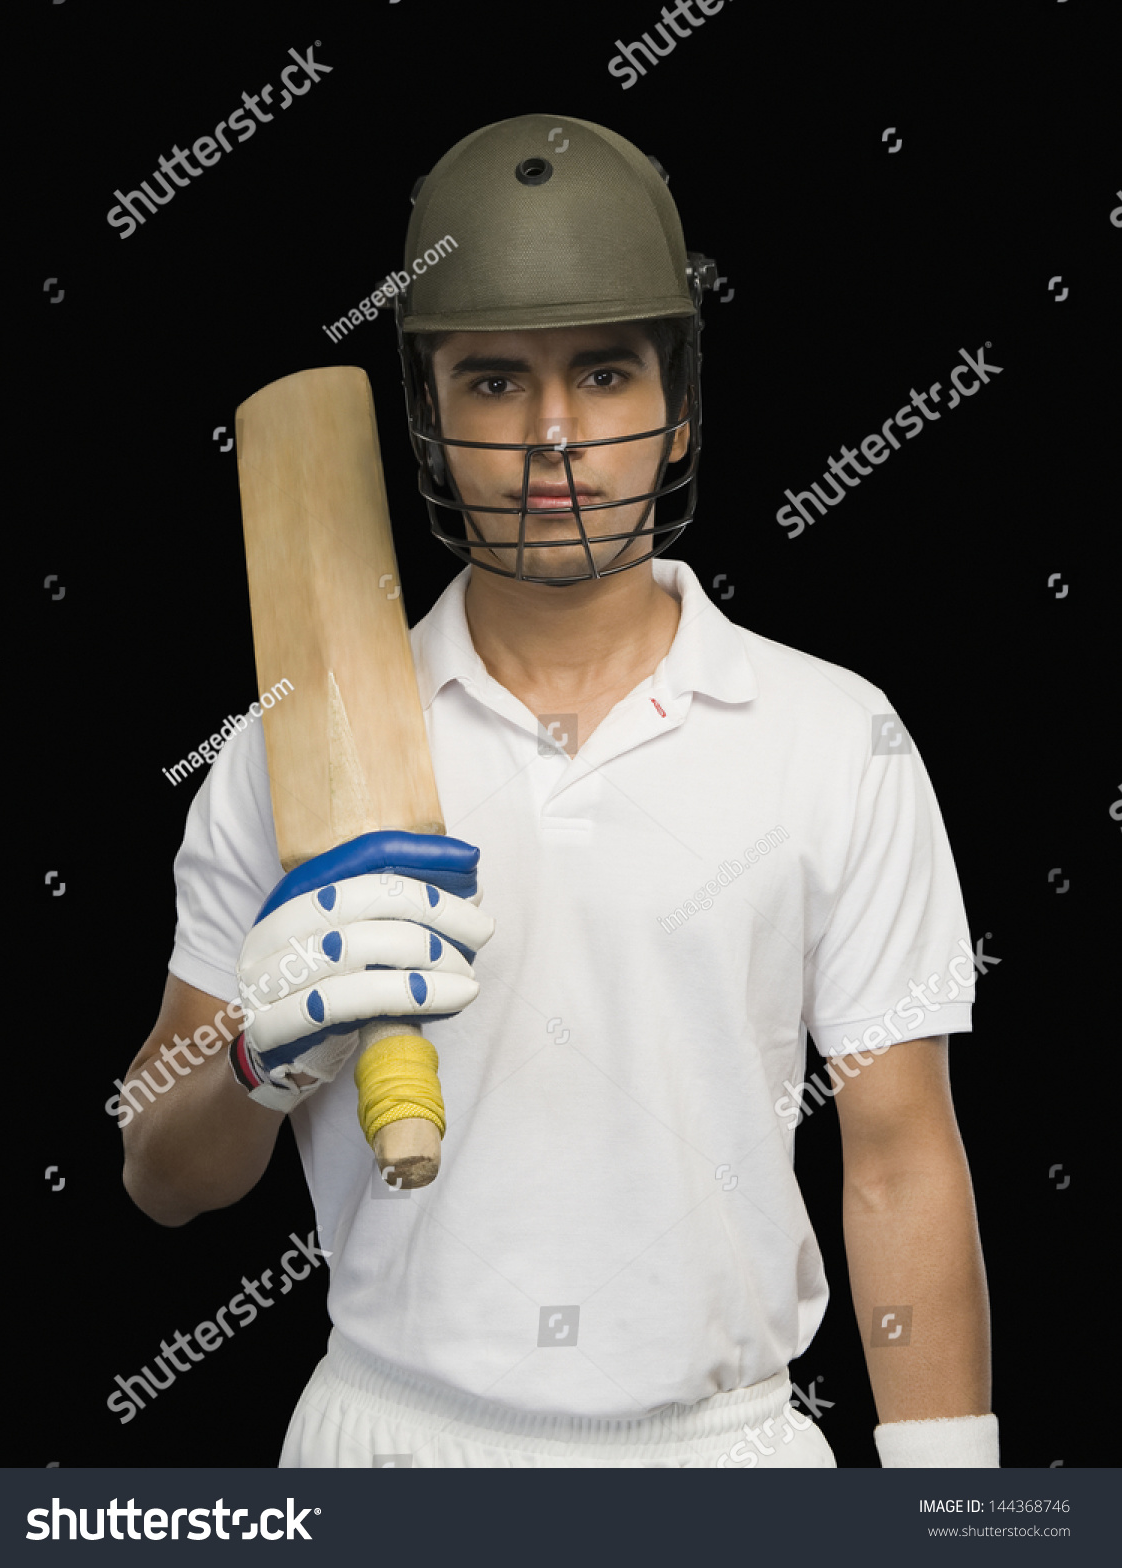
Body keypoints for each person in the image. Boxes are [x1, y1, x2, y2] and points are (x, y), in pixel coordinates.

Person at [121, 114, 998, 1469]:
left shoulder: (835, 737)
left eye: (598, 375)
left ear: (679, 405)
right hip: (393, 1448)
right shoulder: (290, 748)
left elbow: (895, 1158)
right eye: (489, 383)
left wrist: (956, 1512)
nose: (548, 436)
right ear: (428, 415)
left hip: (723, 1454)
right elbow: (161, 1177)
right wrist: (258, 1049)